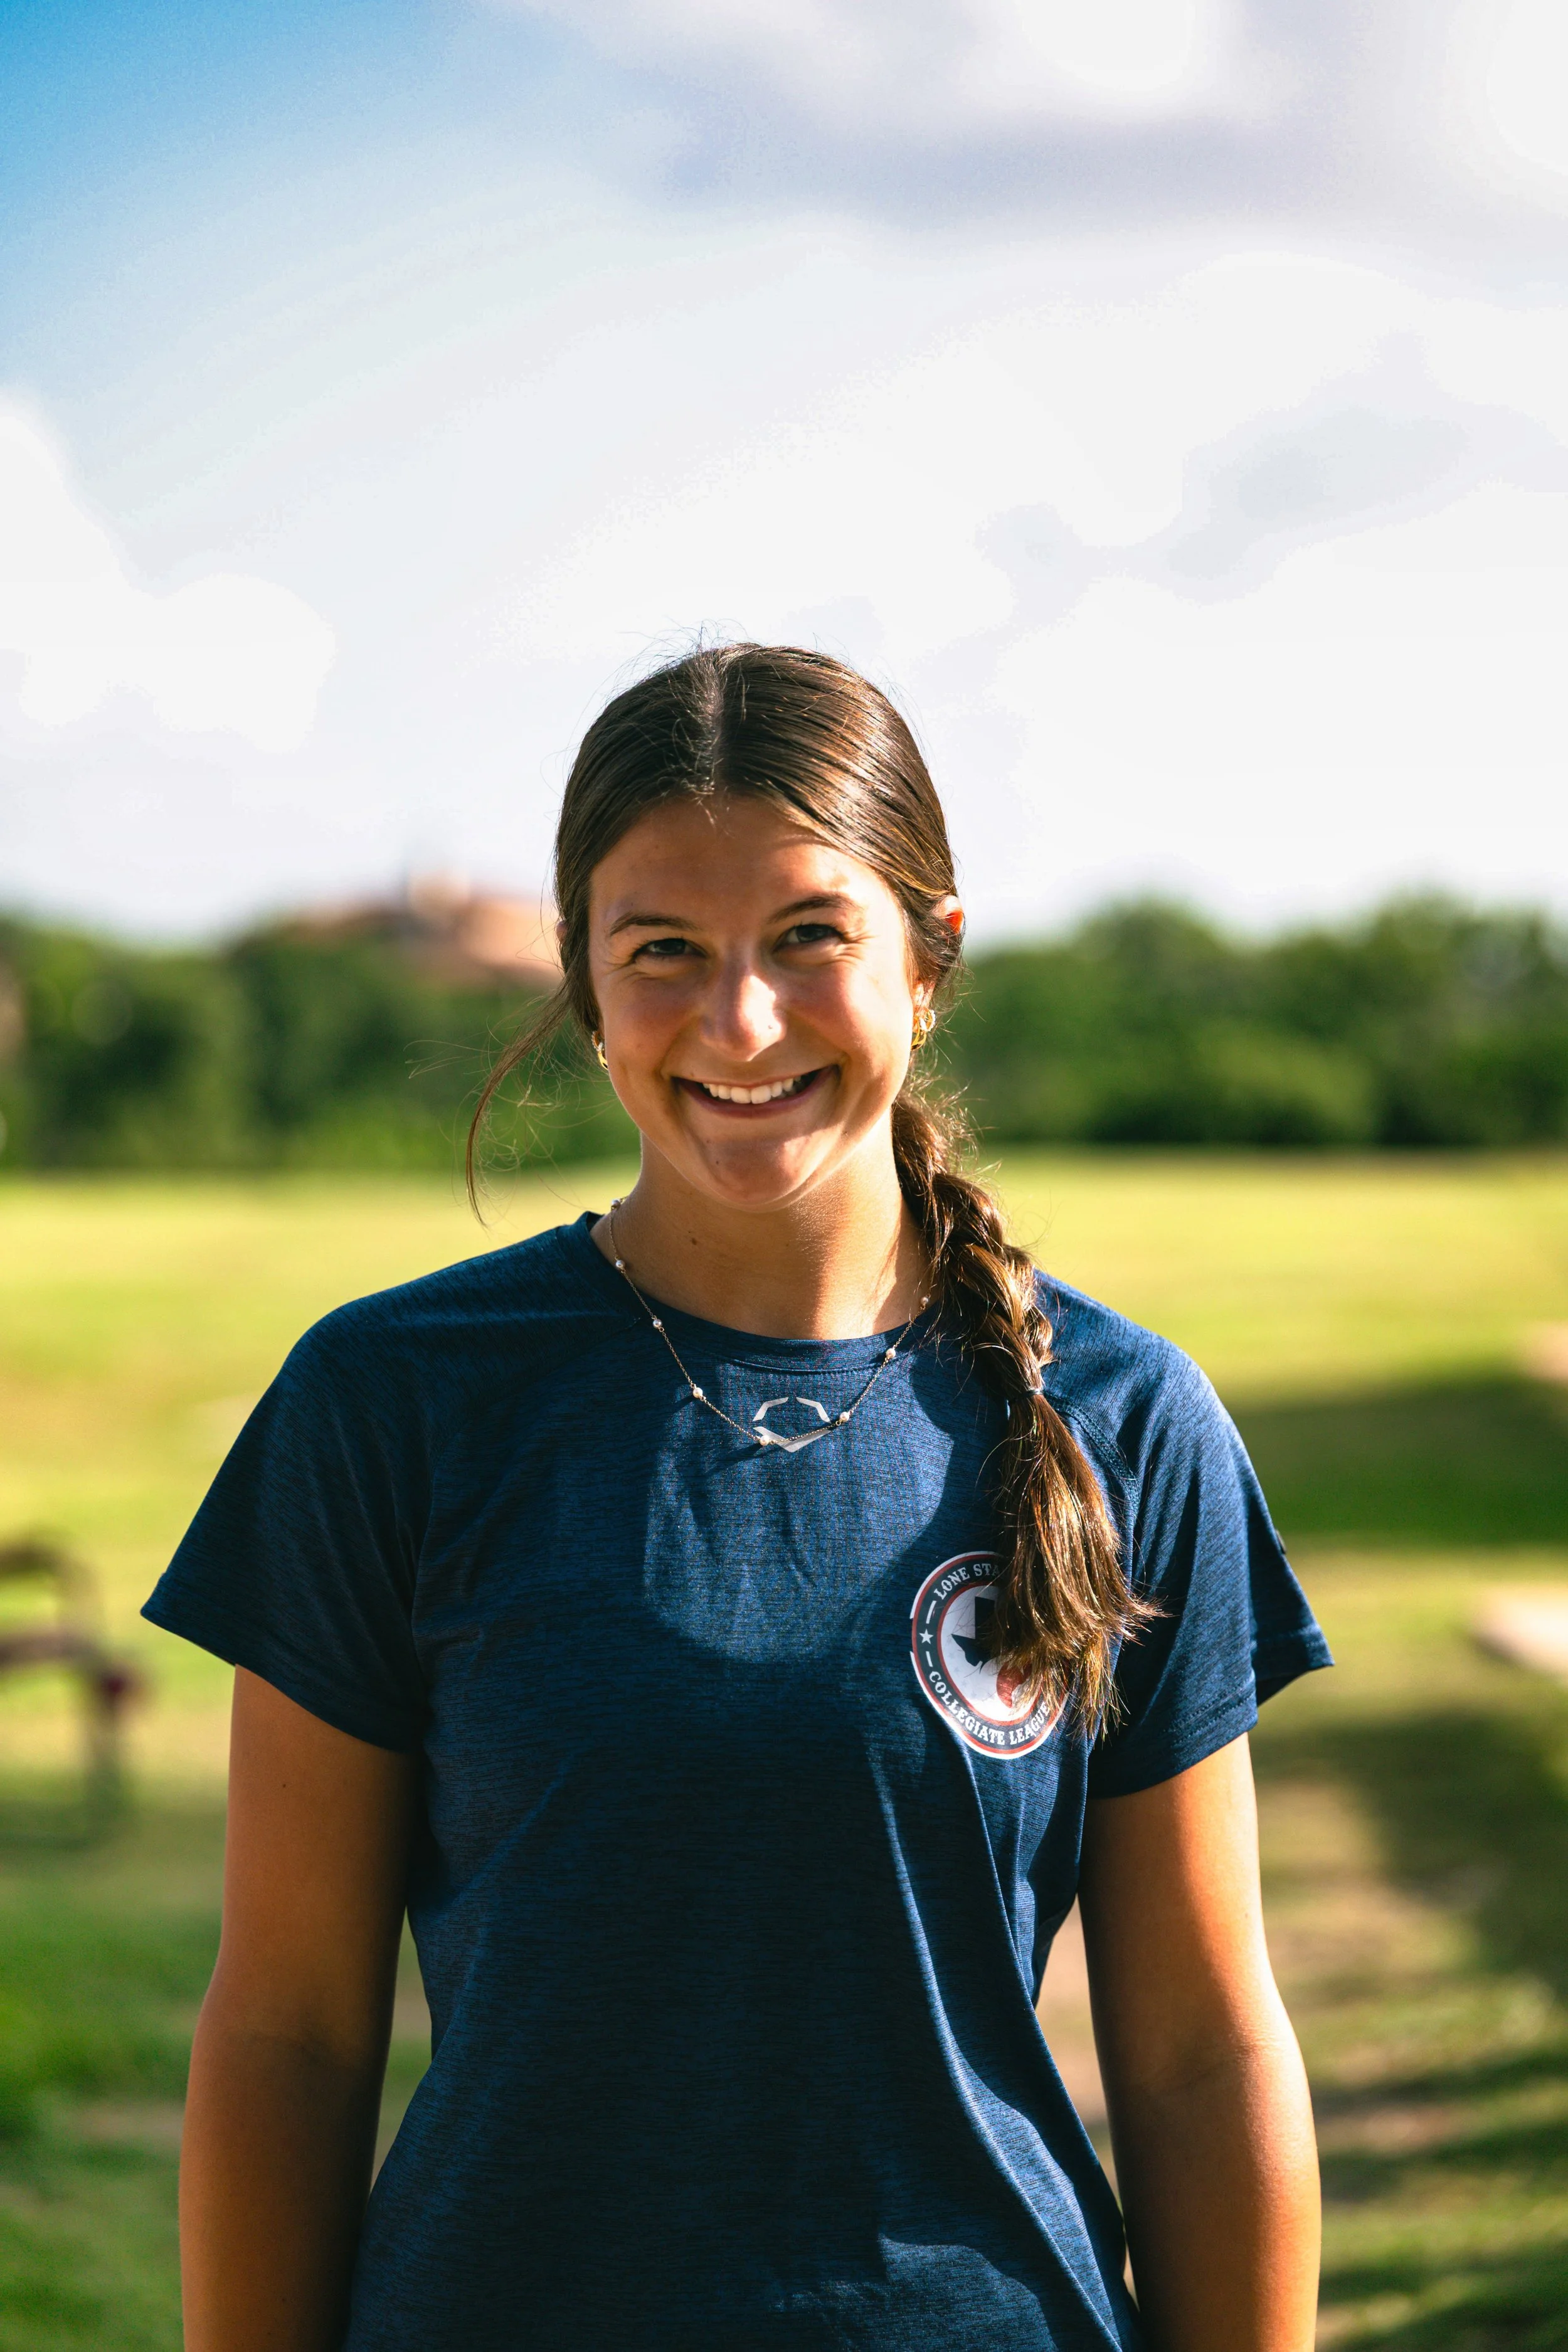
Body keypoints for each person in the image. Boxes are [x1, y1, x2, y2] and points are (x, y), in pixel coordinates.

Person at [146, 643, 1330, 2352]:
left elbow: (1200, 2044)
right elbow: (288, 2029)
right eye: (663, 954)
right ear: (581, 979)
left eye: (806, 938)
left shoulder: (1125, 1421)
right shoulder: (393, 1402)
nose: (739, 1021)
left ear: (929, 958)